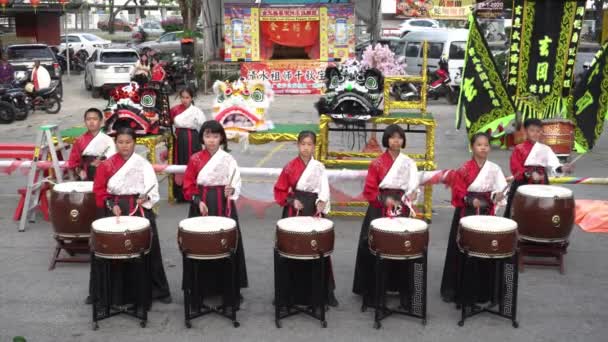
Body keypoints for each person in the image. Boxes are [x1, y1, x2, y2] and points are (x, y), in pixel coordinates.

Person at [88, 126, 171, 306]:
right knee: (112, 251)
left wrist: (146, 197)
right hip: (114, 210)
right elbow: (99, 190)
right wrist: (111, 204)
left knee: (146, 250)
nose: (124, 146)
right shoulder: (106, 165)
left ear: (135, 143)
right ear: (115, 143)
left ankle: (154, 290)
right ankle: (109, 292)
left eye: (128, 142)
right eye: (120, 142)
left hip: (139, 210)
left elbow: (152, 189)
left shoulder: (143, 164)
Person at [352, 124, 420, 306]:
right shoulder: (377, 163)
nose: (396, 140)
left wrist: (413, 194)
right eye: (392, 137)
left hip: (402, 207)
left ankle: (403, 289)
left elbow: (414, 186)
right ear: (386, 140)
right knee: (374, 247)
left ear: (403, 140)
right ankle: (374, 291)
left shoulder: (409, 163)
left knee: (403, 247)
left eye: (399, 137)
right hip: (379, 207)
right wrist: (385, 200)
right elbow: (369, 190)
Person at [182, 120, 248, 302]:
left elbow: (236, 182)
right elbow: (188, 185)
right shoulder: (195, 159)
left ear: (222, 139)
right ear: (202, 138)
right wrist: (196, 200)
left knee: (226, 245)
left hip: (223, 204)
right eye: (207, 136)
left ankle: (229, 287)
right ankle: (199, 288)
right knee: (200, 246)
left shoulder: (228, 159)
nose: (211, 140)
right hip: (201, 204)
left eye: (215, 136)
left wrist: (231, 190)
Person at [440, 132, 508, 304]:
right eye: (479, 145)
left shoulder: (494, 169)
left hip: (486, 212)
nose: (483, 147)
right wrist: (470, 200)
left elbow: (500, 190)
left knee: (487, 250)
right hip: (467, 212)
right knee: (464, 250)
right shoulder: (463, 169)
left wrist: (497, 196)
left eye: (486, 145)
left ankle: (487, 291)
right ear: (472, 147)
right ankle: (460, 290)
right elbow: (458, 192)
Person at [273, 131, 338, 307]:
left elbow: (324, 188)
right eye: (303, 144)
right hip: (295, 209)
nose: (306, 148)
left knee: (317, 249)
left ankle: (324, 293)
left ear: (314, 146)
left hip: (314, 208)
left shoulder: (319, 167)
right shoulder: (289, 167)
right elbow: (279, 191)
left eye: (310, 144)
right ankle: (290, 293)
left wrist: (322, 201)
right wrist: (291, 201)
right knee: (292, 249)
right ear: (298, 145)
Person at [503, 118, 573, 218]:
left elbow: (555, 166)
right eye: (532, 130)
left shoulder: (546, 149)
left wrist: (563, 168)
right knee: (517, 208)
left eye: (538, 131)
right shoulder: (519, 148)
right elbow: (515, 168)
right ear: (526, 131)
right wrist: (529, 174)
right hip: (522, 182)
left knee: (542, 208)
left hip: (541, 181)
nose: (535, 133)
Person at [170, 88, 207, 202]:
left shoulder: (196, 111)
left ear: (191, 98)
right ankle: (180, 194)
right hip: (179, 139)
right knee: (180, 163)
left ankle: (195, 192)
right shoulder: (174, 110)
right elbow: (167, 123)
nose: (185, 100)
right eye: (182, 97)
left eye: (187, 97)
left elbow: (203, 125)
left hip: (193, 139)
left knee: (193, 163)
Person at [66, 108, 116, 181]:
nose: (91, 122)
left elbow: (114, 160)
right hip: (87, 177)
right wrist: (80, 172)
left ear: (101, 121)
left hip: (105, 176)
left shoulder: (108, 140)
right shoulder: (79, 140)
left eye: (95, 119)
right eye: (88, 119)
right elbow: (73, 162)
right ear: (85, 122)